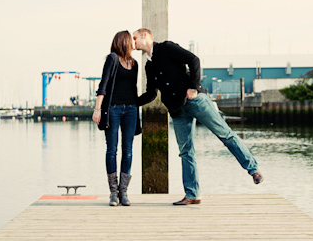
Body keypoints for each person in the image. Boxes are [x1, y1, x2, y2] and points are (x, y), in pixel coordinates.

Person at [134, 28, 263, 206]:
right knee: (186, 151)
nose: (133, 42)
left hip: (195, 101)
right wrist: (130, 102)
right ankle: (192, 194)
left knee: (225, 134)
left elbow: (193, 60)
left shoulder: (167, 48)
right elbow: (150, 93)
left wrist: (193, 87)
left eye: (134, 38)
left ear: (145, 36)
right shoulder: (149, 65)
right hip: (177, 110)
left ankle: (253, 169)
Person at [92, 30, 141, 206]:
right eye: (132, 40)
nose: (134, 43)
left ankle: (124, 192)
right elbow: (103, 85)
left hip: (131, 110)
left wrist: (137, 105)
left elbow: (133, 88)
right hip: (112, 109)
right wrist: (97, 109)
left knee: (128, 150)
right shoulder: (112, 59)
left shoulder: (134, 63)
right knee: (111, 150)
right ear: (124, 41)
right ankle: (113, 193)